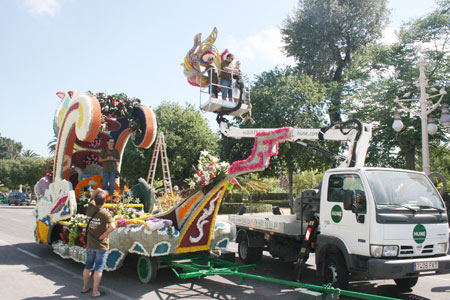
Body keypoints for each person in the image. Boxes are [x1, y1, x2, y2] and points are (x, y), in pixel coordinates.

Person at [82, 189, 115, 298]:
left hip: (90, 244)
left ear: (95, 200)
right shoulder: (105, 213)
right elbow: (113, 226)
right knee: (98, 268)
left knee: (88, 266)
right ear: (105, 201)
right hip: (101, 245)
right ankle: (95, 291)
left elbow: (93, 196)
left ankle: (85, 287)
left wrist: (98, 190)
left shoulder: (90, 208)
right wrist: (104, 235)